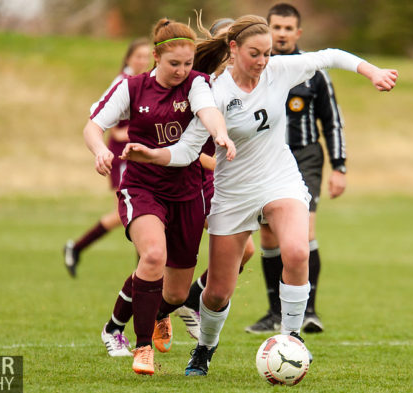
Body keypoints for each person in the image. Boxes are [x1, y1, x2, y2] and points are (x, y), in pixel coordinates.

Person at [121, 14, 397, 376]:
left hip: (279, 180)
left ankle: (292, 339)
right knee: (217, 293)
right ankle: (204, 350)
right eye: (255, 54)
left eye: (267, 54)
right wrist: (152, 154)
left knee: (297, 252)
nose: (263, 62)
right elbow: (188, 150)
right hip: (233, 193)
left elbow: (330, 55)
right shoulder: (212, 90)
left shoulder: (279, 70)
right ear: (233, 49)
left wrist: (372, 71)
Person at [83, 18, 234, 375]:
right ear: (155, 57)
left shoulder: (198, 84)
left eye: (187, 63)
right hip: (143, 187)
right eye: (174, 64)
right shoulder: (133, 88)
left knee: (178, 294)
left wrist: (221, 133)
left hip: (187, 193)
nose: (182, 70)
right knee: (152, 255)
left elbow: (207, 111)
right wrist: (99, 151)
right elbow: (93, 125)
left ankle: (139, 321)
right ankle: (142, 348)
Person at [246, 3, 347, 335]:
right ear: (267, 29)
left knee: (304, 232)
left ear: (298, 33)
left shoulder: (312, 71)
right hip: (265, 159)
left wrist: (340, 166)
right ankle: (275, 312)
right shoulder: (256, 70)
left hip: (305, 157)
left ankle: (309, 312)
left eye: (289, 28)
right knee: (268, 234)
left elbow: (332, 123)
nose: (283, 33)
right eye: (277, 27)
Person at [176, 16, 256, 341]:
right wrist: (222, 162)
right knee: (173, 258)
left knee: (247, 251)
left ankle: (190, 300)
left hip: (223, 181)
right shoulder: (201, 84)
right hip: (195, 176)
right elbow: (191, 148)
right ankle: (164, 308)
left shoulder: (243, 85)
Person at [63, 38, 151, 278]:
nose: (143, 60)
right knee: (132, 215)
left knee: (133, 216)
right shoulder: (122, 82)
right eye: (138, 56)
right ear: (128, 58)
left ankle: (78, 248)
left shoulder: (148, 82)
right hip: (121, 156)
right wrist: (125, 133)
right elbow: (101, 118)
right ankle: (143, 274)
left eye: (146, 56)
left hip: (140, 157)